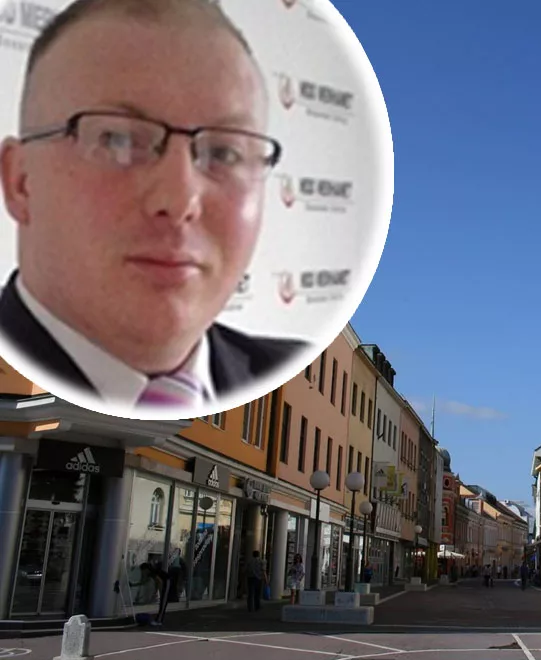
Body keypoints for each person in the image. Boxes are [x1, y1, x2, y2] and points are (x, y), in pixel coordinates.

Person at [0, 0, 309, 414]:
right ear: (20, 182)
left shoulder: (294, 375)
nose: (180, 200)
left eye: (224, 152)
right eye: (117, 140)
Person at [131, 562, 170, 626]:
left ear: (146, 569)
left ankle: (159, 621)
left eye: (143, 571)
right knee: (162, 602)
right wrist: (133, 585)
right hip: (163, 582)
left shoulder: (153, 572)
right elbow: (144, 582)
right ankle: (158, 620)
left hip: (166, 581)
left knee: (163, 603)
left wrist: (160, 593)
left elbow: (160, 582)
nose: (142, 573)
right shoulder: (149, 574)